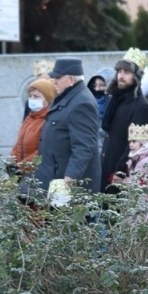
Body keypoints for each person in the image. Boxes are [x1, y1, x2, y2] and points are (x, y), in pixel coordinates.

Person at [35, 58, 103, 197]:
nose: (54, 80)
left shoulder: (82, 102)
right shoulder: (66, 96)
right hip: (54, 179)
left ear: (71, 79)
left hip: (68, 188)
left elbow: (84, 148)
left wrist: (69, 181)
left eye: (58, 77)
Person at [100, 49, 148, 191]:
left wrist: (120, 171)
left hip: (123, 175)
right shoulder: (116, 100)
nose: (121, 76)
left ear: (136, 77)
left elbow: (138, 145)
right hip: (107, 167)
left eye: (126, 72)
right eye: (119, 71)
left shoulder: (141, 106)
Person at [9, 78, 56, 184]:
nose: (32, 99)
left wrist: (21, 167)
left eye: (36, 96)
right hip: (22, 173)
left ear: (47, 99)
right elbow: (19, 141)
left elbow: (42, 151)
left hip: (36, 175)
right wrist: (13, 160)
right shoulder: (30, 117)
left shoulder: (48, 119)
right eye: (30, 96)